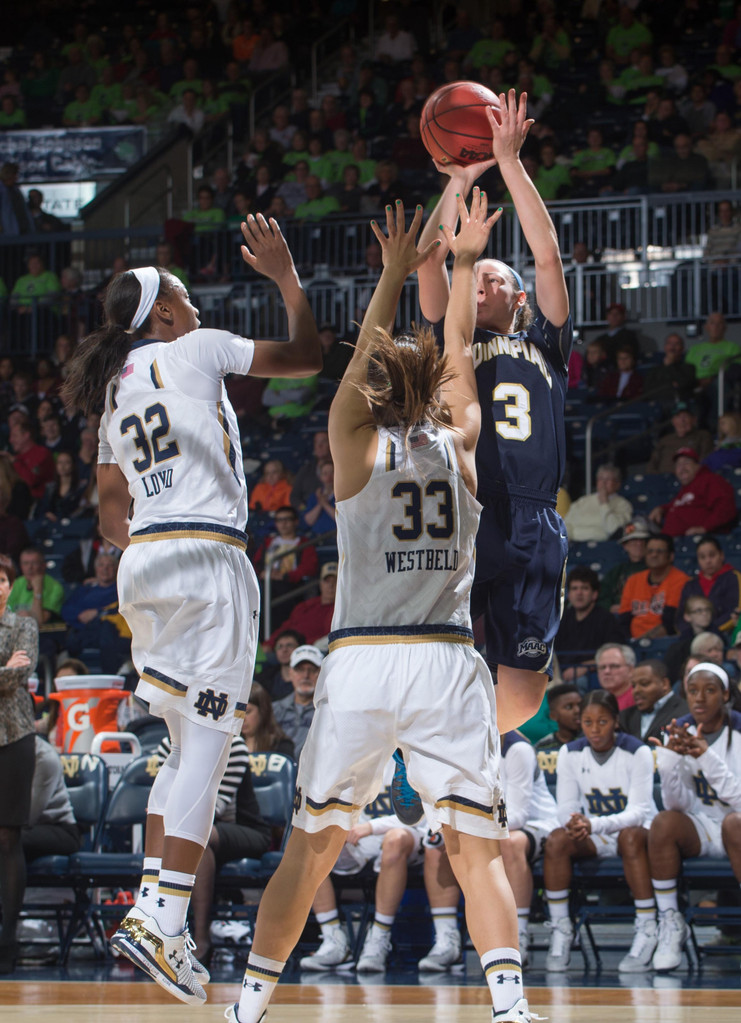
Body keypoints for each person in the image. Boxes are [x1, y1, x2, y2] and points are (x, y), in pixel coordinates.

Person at [225, 196, 533, 1023]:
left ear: (373, 389)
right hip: (441, 656)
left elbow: (362, 358)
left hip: (361, 656)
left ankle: (247, 1005)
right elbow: (461, 346)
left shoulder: (353, 444)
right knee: (475, 849)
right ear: (433, 388)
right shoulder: (463, 442)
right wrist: (462, 264)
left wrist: (396, 270)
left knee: (313, 844)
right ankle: (507, 1004)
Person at [60, 216, 320, 1006]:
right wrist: (283, 278)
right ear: (165, 315)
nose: (193, 300)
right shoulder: (194, 351)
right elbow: (306, 359)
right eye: (182, 293)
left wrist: (156, 524)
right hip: (206, 557)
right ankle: (166, 913)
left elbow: (110, 511)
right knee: (210, 737)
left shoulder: (113, 390)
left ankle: (151, 904)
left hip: (141, 562)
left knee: (180, 746)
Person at [417, 88, 572, 734]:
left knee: (526, 689)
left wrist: (508, 161)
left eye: (492, 279)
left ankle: (466, 745)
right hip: (465, 506)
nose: (479, 283)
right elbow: (428, 258)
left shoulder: (545, 342)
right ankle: (427, 749)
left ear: (519, 299)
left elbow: (545, 254)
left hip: (533, 515)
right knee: (440, 651)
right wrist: (457, 180)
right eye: (474, 277)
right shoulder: (454, 336)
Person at [543, 690, 658, 973]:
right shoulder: (570, 752)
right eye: (588, 722)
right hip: (594, 832)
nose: (595, 730)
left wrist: (592, 824)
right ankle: (561, 927)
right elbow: (566, 805)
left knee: (630, 835)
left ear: (616, 721)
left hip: (636, 833)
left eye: (602, 722)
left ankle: (647, 926)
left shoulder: (637, 751)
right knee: (557, 840)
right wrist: (573, 822)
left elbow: (640, 812)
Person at [648, 662, 741, 972]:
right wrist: (670, 761)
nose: (700, 698)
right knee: (663, 822)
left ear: (726, 694)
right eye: (693, 691)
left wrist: (706, 757)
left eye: (710, 690)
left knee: (734, 822)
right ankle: (671, 923)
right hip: (704, 829)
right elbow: (676, 804)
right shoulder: (678, 729)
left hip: (737, 828)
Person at [154, 728, 271, 967]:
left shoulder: (232, 745)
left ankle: (201, 937)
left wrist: (171, 812)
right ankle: (159, 929)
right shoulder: (168, 745)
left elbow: (213, 808)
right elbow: (161, 799)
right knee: (175, 834)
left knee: (197, 836)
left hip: (244, 829)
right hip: (195, 825)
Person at [0, 553, 39, 973]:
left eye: (3, 579)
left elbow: (20, 676)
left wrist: (10, 672)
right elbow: (6, 675)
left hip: (15, 737)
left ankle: (8, 938)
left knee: (8, 837)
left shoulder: (24, 624)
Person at [498, 730, 560, 966]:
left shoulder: (518, 748)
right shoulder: (469, 744)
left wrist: (475, 826)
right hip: (496, 828)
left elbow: (518, 816)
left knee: (510, 843)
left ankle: (518, 934)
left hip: (540, 824)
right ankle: (446, 937)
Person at [648, 447, 737, 537]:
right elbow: (682, 506)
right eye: (678, 465)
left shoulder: (711, 480)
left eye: (686, 463)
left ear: (697, 466)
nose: (682, 468)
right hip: (672, 541)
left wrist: (704, 528)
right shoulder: (686, 488)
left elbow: (726, 507)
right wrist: (662, 509)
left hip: (699, 541)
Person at [555, 567, 623, 683]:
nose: (579, 593)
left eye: (584, 588)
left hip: (592, 675)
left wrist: (583, 667)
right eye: (574, 588)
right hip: (561, 673)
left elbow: (615, 653)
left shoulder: (606, 619)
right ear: (569, 594)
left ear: (594, 594)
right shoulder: (562, 618)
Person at [618, 534, 690, 640]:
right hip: (633, 642)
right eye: (650, 551)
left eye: (660, 551)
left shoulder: (681, 580)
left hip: (665, 642)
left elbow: (670, 623)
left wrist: (643, 643)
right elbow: (624, 621)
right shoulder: (633, 580)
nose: (654, 555)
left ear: (671, 556)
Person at [676, 535, 741, 638]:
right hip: (693, 637)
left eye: (712, 555)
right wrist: (690, 634)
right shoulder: (690, 584)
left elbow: (734, 611)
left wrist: (711, 632)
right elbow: (681, 617)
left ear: (721, 555)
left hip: (725, 635)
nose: (708, 561)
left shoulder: (733, 577)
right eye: (702, 557)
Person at [265, 562, 337, 650]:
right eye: (327, 581)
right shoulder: (305, 606)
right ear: (321, 584)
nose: (331, 586)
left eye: (335, 581)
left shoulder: (339, 610)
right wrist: (269, 643)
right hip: (288, 649)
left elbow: (329, 638)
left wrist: (302, 646)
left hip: (312, 652)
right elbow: (286, 627)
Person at [271, 644, 323, 761]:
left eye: (312, 670)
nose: (305, 675)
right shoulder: (274, 710)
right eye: (300, 669)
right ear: (290, 673)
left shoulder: (328, 711)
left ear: (321, 674)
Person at [619, 658, 688, 743]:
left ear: (664, 683)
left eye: (644, 684)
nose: (636, 690)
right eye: (633, 686)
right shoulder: (625, 717)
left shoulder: (685, 712)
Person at [562, 463, 633, 542]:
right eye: (601, 479)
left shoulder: (623, 504)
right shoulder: (583, 501)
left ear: (617, 484)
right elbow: (566, 524)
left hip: (603, 546)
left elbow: (614, 530)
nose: (603, 483)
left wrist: (604, 503)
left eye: (608, 479)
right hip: (574, 545)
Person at [597, 519, 650, 614]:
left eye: (642, 540)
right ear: (625, 545)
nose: (639, 544)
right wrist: (610, 607)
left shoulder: (656, 569)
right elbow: (600, 596)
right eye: (634, 540)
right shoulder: (617, 571)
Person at [645, 402, 713, 474]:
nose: (682, 420)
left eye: (686, 416)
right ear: (673, 421)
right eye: (678, 416)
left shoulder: (702, 435)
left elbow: (705, 461)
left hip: (689, 478)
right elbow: (652, 464)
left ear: (694, 419)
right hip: (662, 479)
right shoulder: (665, 440)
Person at [644, 334, 697, 411]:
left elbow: (683, 385)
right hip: (657, 405)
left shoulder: (689, 368)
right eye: (669, 343)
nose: (672, 347)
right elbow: (648, 391)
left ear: (682, 348)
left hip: (680, 406)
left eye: (676, 344)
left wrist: (670, 365)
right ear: (665, 347)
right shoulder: (654, 370)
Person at [241, 682, 294, 756]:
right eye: (238, 713)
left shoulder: (281, 746)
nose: (242, 719)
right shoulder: (231, 744)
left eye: (247, 712)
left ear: (263, 711)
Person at [255, 629, 305, 703]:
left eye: (289, 645)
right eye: (279, 646)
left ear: (300, 649)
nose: (284, 650)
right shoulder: (265, 677)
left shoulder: (308, 676)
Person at [595, 642, 637, 712]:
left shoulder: (638, 698)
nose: (607, 671)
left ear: (631, 670)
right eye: (602, 667)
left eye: (614, 666)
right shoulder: (594, 701)